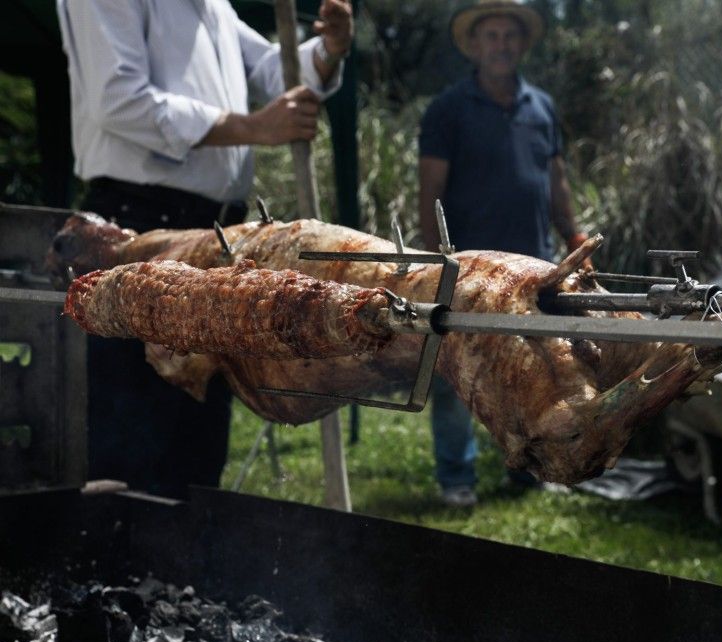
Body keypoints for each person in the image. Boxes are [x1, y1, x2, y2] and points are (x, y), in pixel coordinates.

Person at [56, 0, 353, 499]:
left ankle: (189, 565)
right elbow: (120, 100)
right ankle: (120, 566)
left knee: (197, 429)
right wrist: (255, 128)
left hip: (214, 230)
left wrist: (327, 51)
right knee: (133, 441)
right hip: (139, 222)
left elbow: (271, 69)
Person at [418, 0, 589, 507]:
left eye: (509, 36)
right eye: (490, 36)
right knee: (458, 372)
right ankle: (457, 476)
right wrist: (436, 262)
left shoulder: (541, 108)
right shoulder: (448, 109)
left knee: (534, 371)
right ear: (474, 45)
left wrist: (574, 236)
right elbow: (430, 190)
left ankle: (531, 467)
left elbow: (555, 180)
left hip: (534, 265)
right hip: (468, 269)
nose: (500, 45)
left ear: (521, 44)